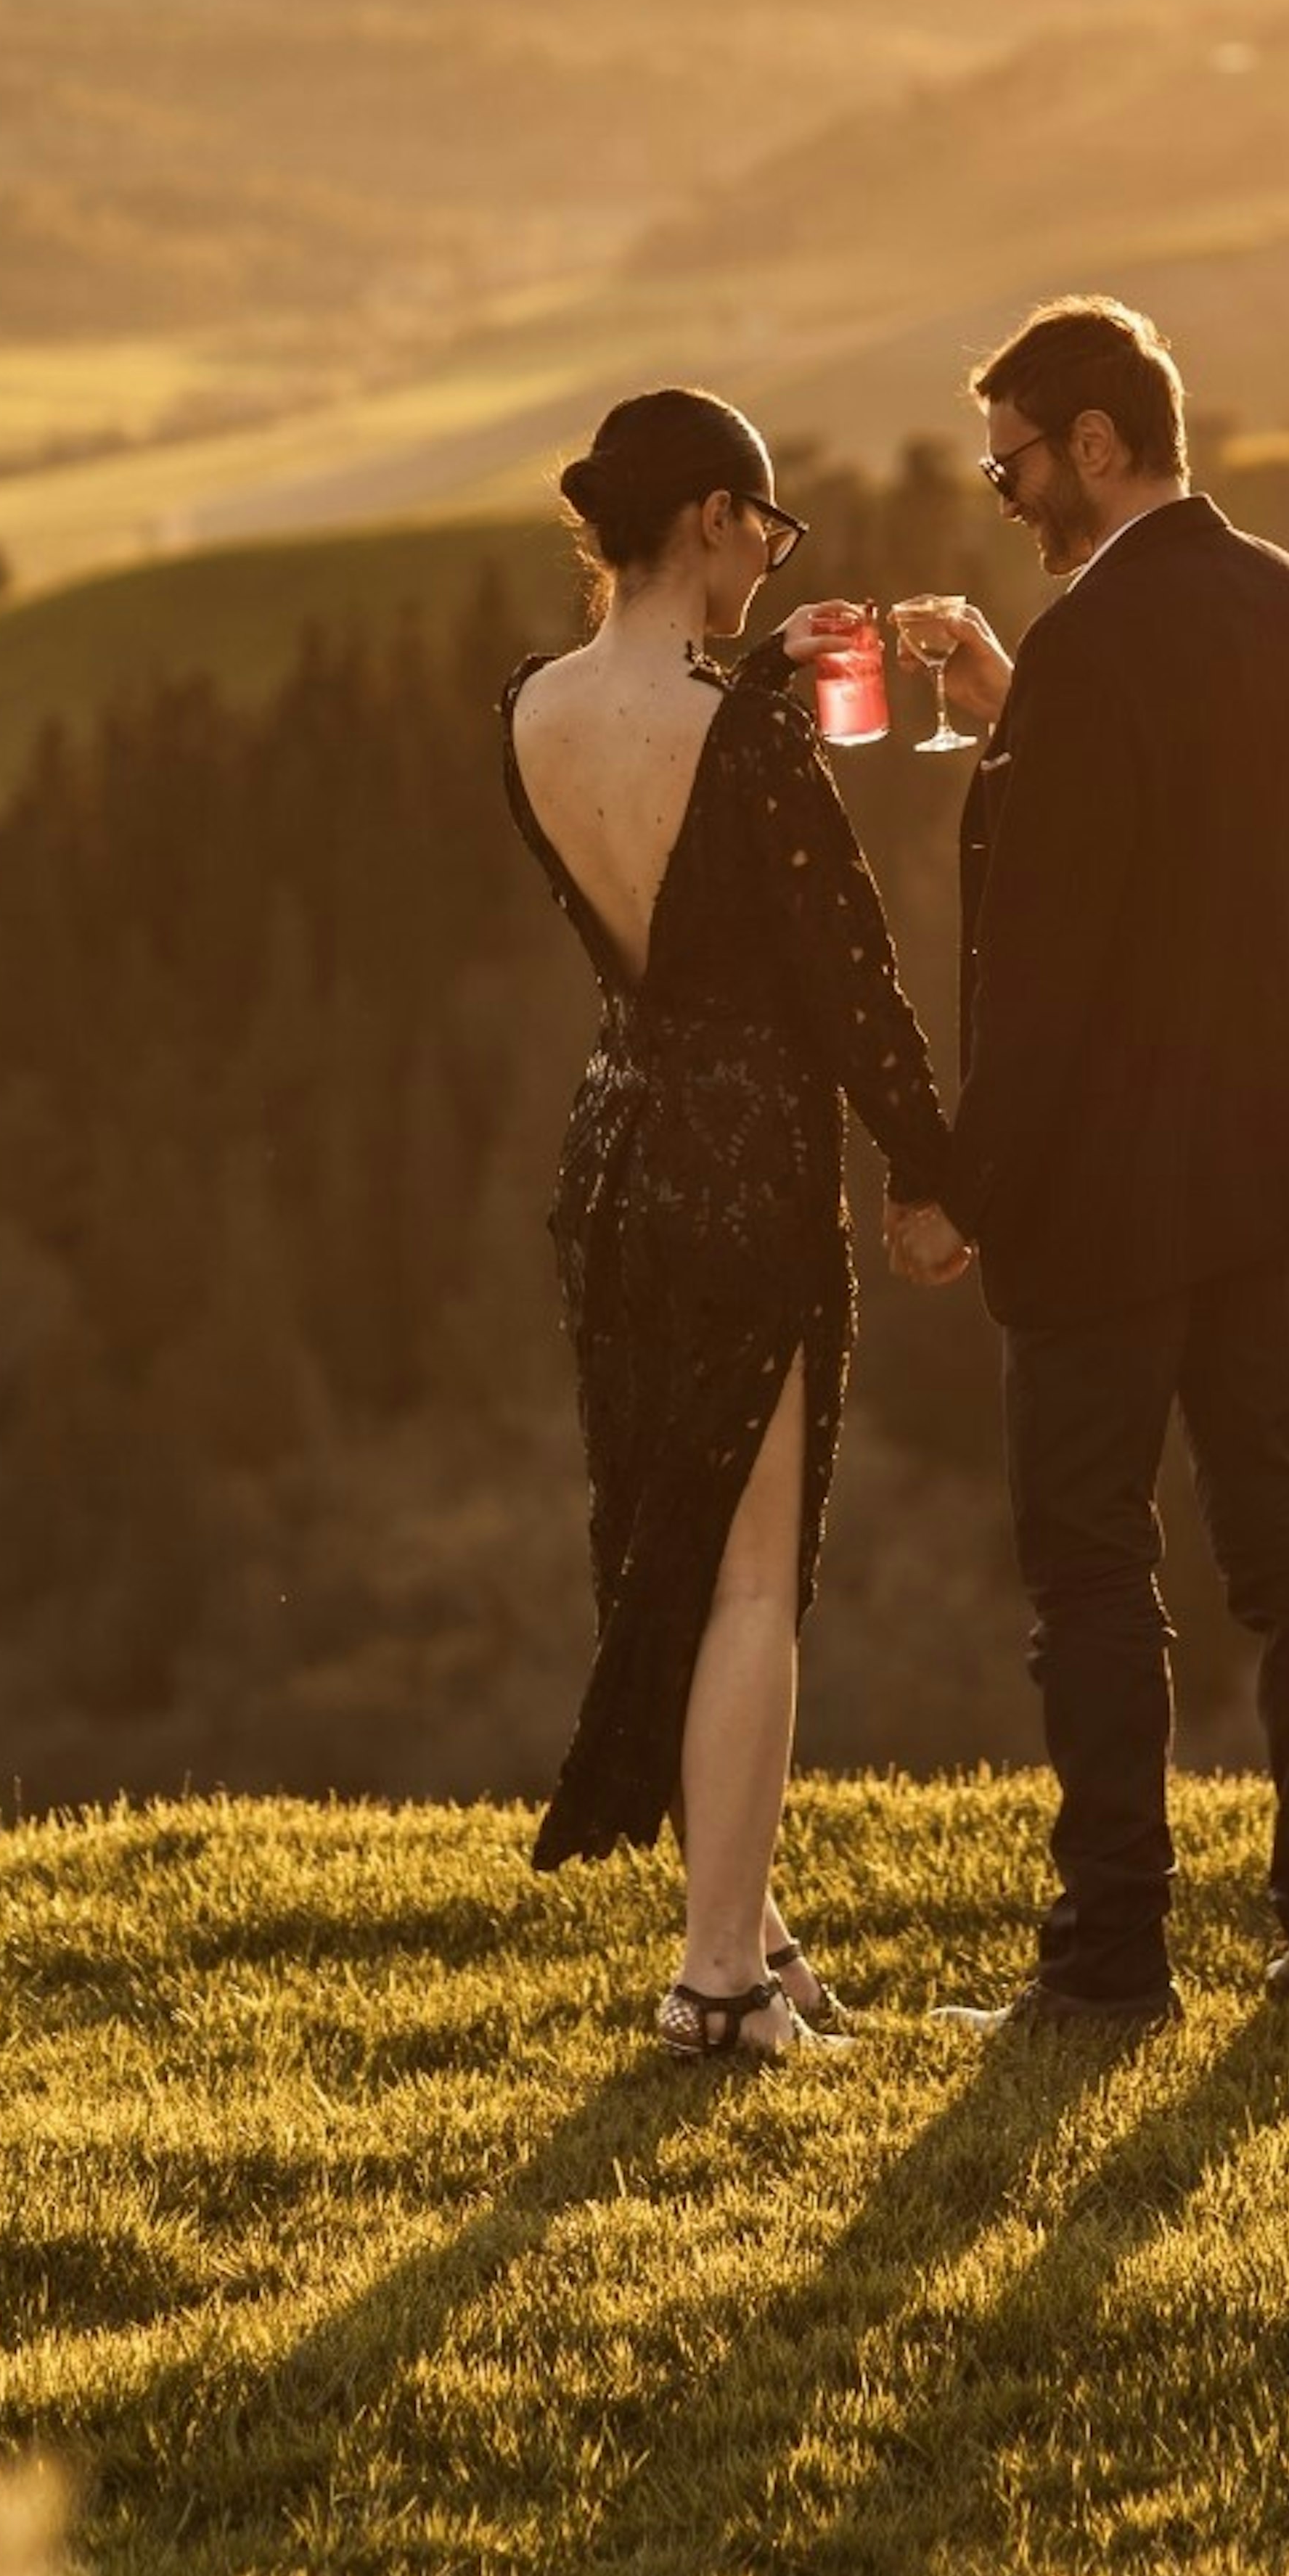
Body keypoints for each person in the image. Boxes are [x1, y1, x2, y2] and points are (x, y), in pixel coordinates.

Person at [892, 297, 1289, 2032]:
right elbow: (1181, 838)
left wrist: (956, 1185)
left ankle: (1111, 1962)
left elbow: (1049, 967)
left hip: (1107, 1183)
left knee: (1094, 1566)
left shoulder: (1093, 647)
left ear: (1096, 443)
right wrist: (1019, 711)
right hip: (1265, 1151)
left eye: (1015, 464)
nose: (1008, 496)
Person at [498, 387, 967, 2064]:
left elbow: (665, 898)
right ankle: (718, 1984)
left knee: (669, 1555)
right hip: (745, 1170)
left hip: (615, 1162)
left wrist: (758, 687)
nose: (772, 557)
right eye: (767, 527)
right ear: (710, 516)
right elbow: (848, 982)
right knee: (754, 1579)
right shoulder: (749, 740)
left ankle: (751, 1928)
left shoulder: (530, 709)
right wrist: (930, 1173)